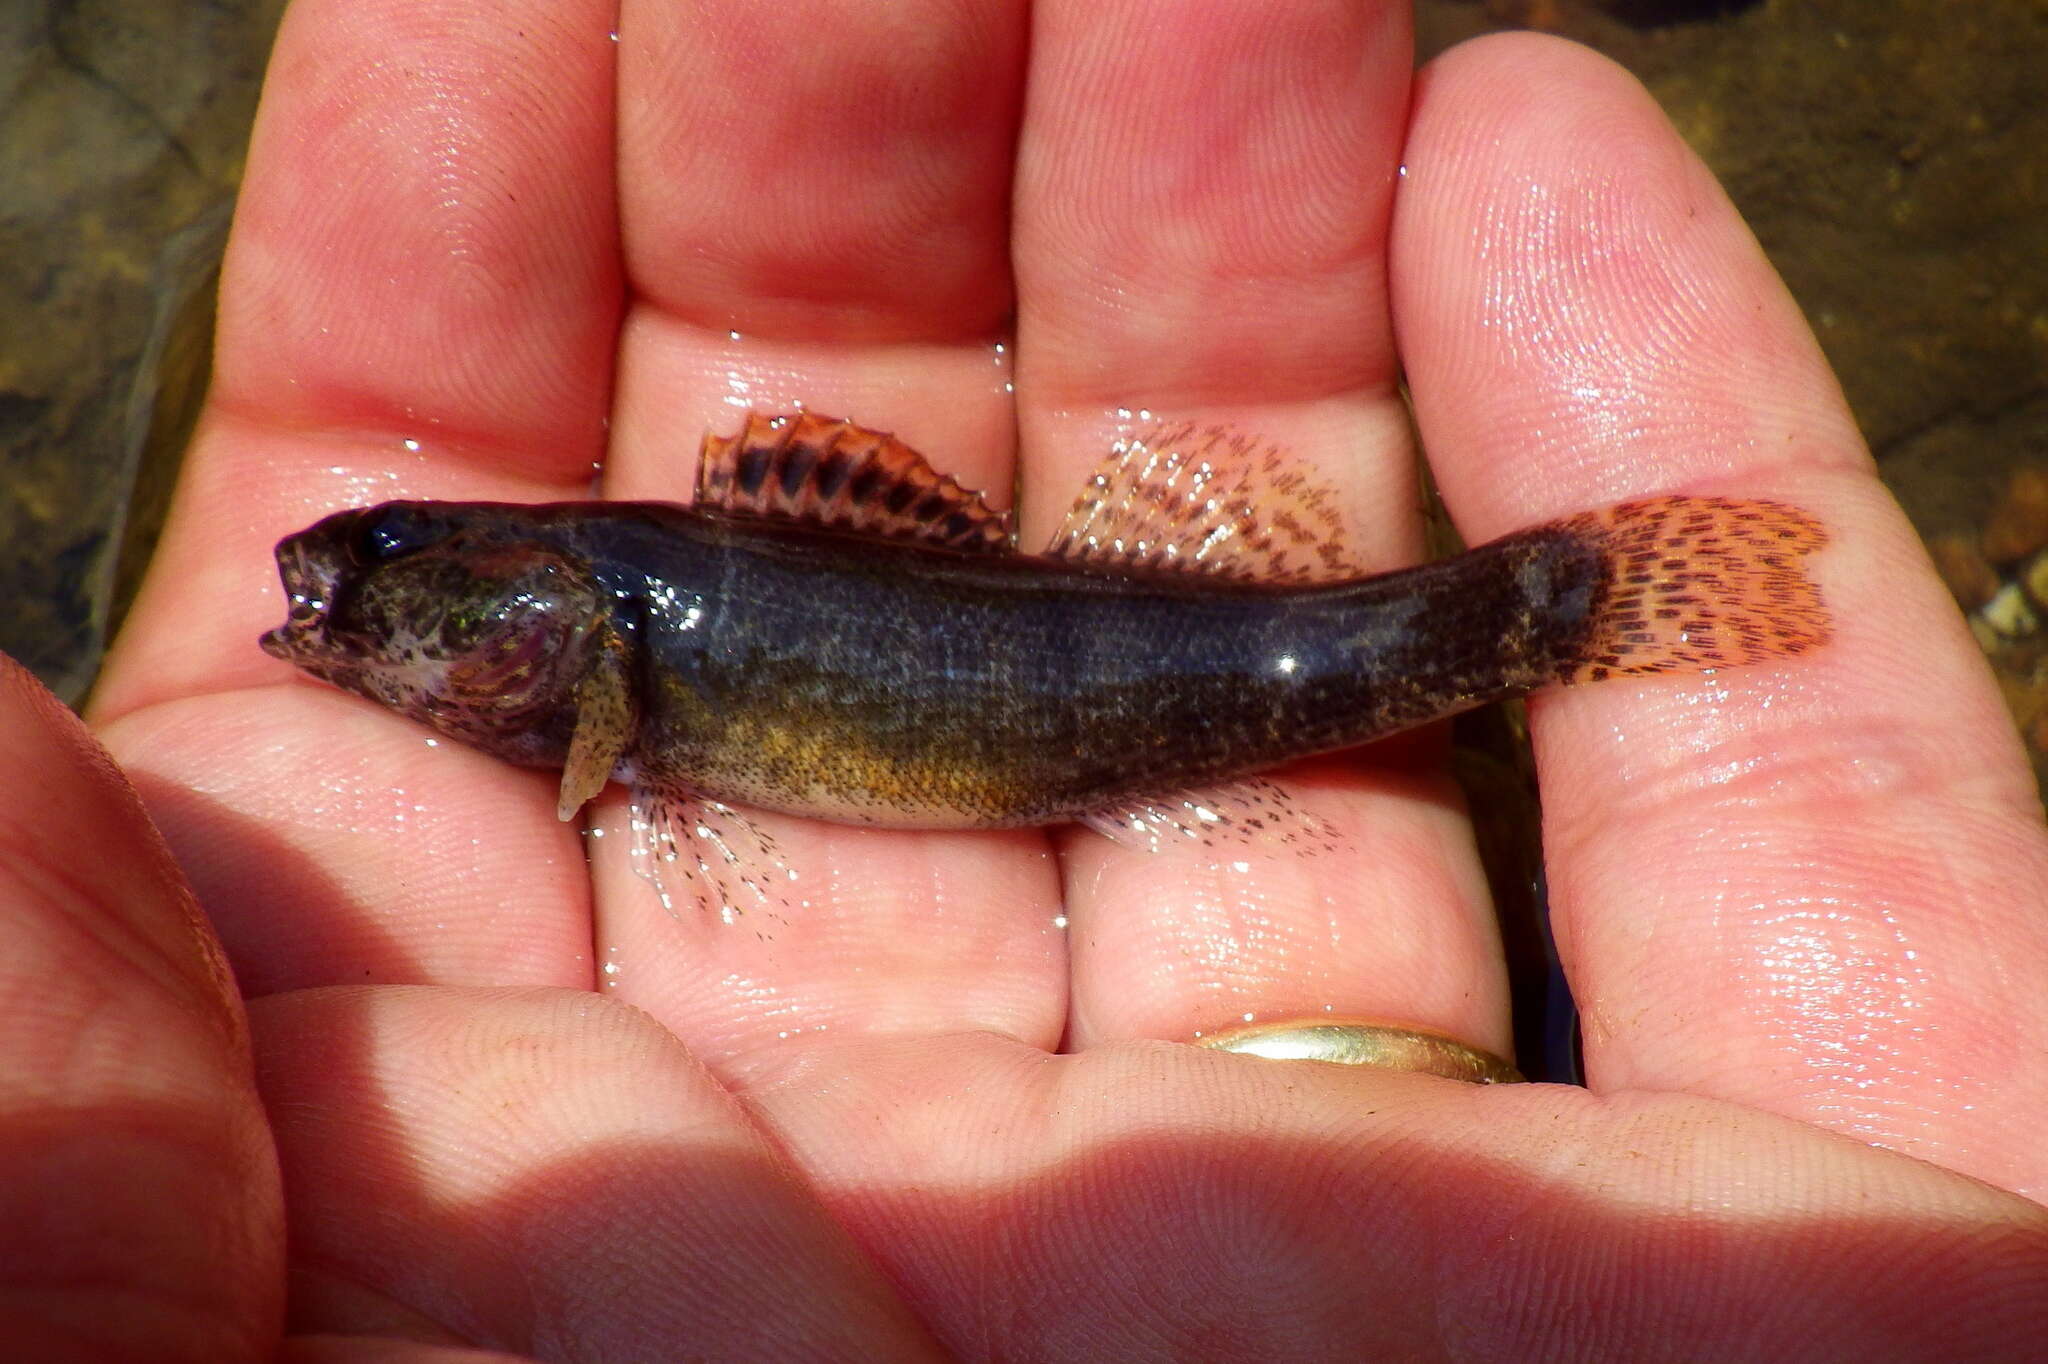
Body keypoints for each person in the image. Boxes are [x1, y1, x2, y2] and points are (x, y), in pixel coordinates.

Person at [8, 1, 2045, 1358]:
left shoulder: (611, 658)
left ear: (528, 605)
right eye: (363, 586)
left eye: (390, 582)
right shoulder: (598, 647)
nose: (352, 605)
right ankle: (1539, 615)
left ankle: (1551, 609)